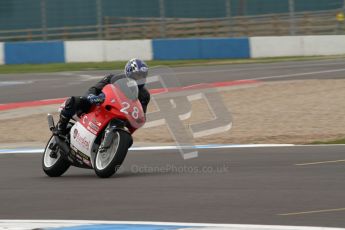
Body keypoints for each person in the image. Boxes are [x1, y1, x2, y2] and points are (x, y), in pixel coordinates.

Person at [56, 58, 150, 135]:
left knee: (129, 139)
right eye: (138, 75)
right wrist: (91, 96)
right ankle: (60, 128)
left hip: (120, 116)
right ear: (129, 73)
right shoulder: (113, 78)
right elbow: (95, 88)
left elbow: (141, 114)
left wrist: (139, 120)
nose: (141, 78)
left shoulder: (144, 95)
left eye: (143, 76)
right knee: (75, 101)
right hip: (100, 104)